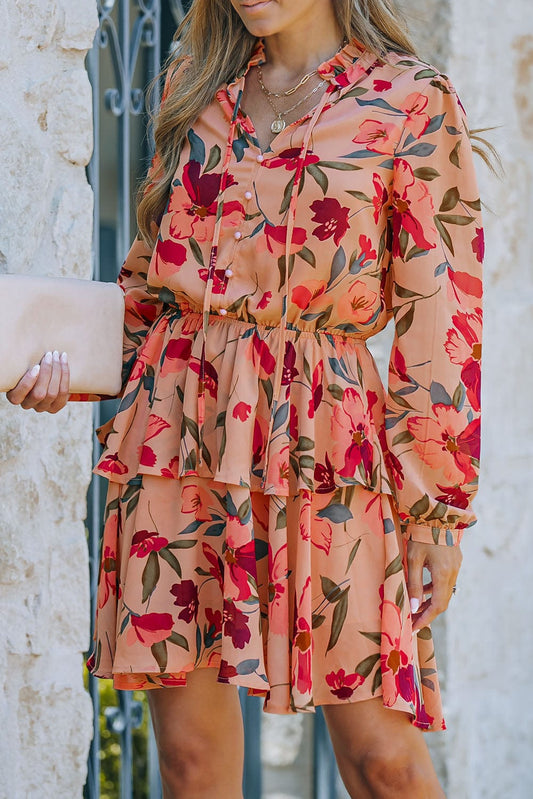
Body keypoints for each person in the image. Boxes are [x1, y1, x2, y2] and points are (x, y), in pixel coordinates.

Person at [7, 0, 484, 796]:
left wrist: (436, 507)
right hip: (176, 434)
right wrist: (62, 364)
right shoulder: (197, 89)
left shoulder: (408, 99)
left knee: (382, 761)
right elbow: (149, 290)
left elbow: (443, 314)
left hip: (326, 443)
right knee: (192, 763)